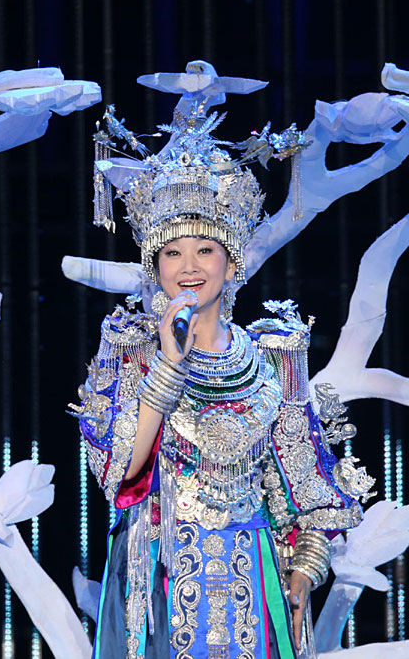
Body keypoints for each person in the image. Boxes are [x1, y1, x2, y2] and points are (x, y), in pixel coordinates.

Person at [73, 91, 374, 659]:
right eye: (172, 253)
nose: (188, 267)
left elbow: (303, 487)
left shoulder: (274, 358)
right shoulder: (132, 350)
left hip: (252, 579)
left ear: (232, 261)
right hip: (162, 573)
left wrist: (303, 571)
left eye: (205, 250)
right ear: (154, 264)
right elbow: (120, 473)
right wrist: (169, 364)